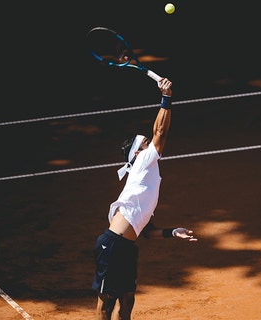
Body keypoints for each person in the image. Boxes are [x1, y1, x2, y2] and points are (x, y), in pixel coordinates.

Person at [92, 77, 197, 320]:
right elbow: (161, 130)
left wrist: (173, 232)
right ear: (138, 153)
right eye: (146, 144)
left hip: (127, 248)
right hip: (112, 244)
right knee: (106, 302)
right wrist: (166, 98)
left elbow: (147, 231)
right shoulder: (142, 162)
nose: (153, 145)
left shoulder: (147, 179)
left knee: (127, 302)